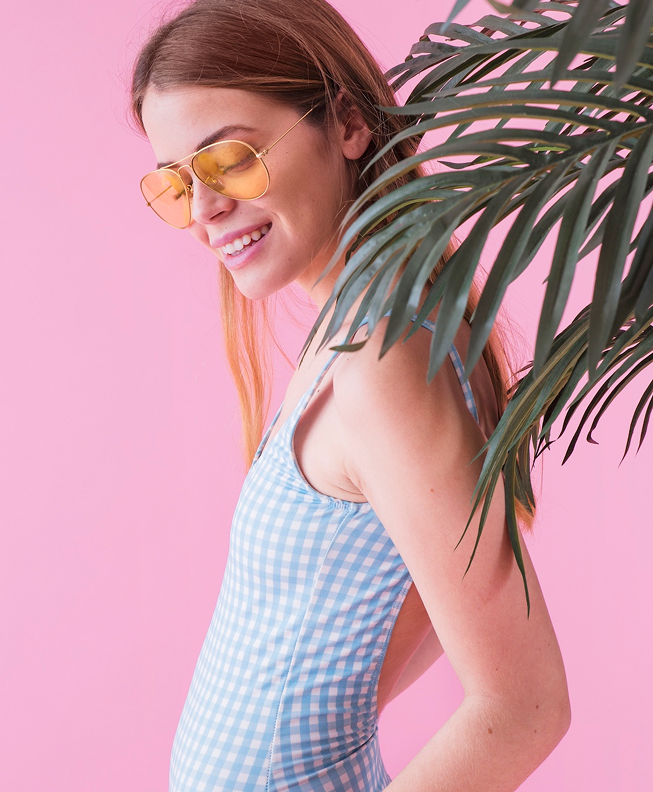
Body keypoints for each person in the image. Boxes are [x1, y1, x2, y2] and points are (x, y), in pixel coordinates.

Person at [129, 1, 571, 789]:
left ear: (349, 122)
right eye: (174, 185)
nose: (204, 212)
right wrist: (328, 706)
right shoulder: (360, 328)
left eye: (228, 160)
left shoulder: (382, 363)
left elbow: (525, 706)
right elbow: (430, 589)